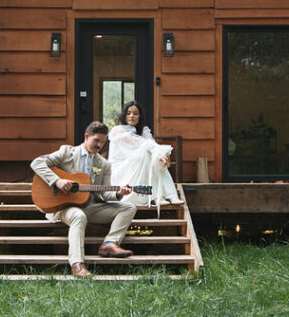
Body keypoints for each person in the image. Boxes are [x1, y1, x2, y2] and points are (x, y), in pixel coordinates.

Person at [31, 121, 137, 278]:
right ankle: (77, 265)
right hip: (63, 206)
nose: (100, 145)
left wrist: (119, 193)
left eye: (103, 142)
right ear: (87, 136)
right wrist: (57, 181)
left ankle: (109, 243)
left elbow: (104, 194)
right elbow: (37, 163)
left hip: (90, 206)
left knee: (129, 207)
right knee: (78, 216)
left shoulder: (104, 164)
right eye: (97, 140)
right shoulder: (67, 152)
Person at [108, 101, 182, 206]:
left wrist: (163, 155)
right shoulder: (118, 131)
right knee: (146, 153)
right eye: (128, 113)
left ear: (140, 116)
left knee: (153, 156)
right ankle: (157, 196)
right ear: (124, 115)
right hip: (120, 171)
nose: (131, 116)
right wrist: (162, 153)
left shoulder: (144, 131)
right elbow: (144, 144)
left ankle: (170, 195)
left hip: (138, 166)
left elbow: (152, 145)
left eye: (135, 113)